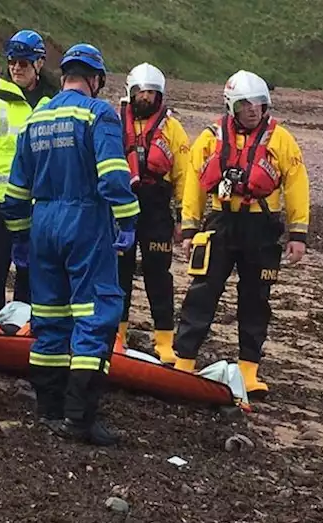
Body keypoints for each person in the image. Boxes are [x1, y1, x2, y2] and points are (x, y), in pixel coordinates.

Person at [2, 43, 140, 446]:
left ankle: (48, 407)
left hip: (43, 222)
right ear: (95, 80)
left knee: (49, 317)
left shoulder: (37, 116)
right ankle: (79, 418)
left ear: (63, 76)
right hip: (84, 221)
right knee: (95, 315)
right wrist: (127, 219)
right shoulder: (98, 115)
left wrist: (20, 236)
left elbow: (15, 190)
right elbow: (114, 175)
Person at [172, 70, 309, 398]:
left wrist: (298, 233)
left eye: (259, 104)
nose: (253, 110)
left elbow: (296, 185)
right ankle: (183, 363)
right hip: (220, 224)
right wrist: (190, 226)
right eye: (246, 104)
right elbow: (194, 182)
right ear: (232, 106)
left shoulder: (281, 140)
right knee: (202, 293)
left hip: (261, 229)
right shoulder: (210, 138)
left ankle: (249, 370)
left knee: (256, 299)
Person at [0, 29, 58, 314]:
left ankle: (22, 313)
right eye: (13, 61)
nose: (17, 67)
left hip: (38, 202)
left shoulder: (53, 102)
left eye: (24, 62)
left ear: (39, 63)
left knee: (31, 264)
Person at [114, 62, 191, 364]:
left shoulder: (173, 130)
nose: (145, 98)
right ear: (130, 93)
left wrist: (185, 218)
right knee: (119, 274)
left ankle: (164, 340)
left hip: (157, 208)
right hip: (122, 206)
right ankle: (117, 335)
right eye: (140, 92)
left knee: (159, 275)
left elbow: (185, 174)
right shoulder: (115, 123)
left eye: (151, 93)